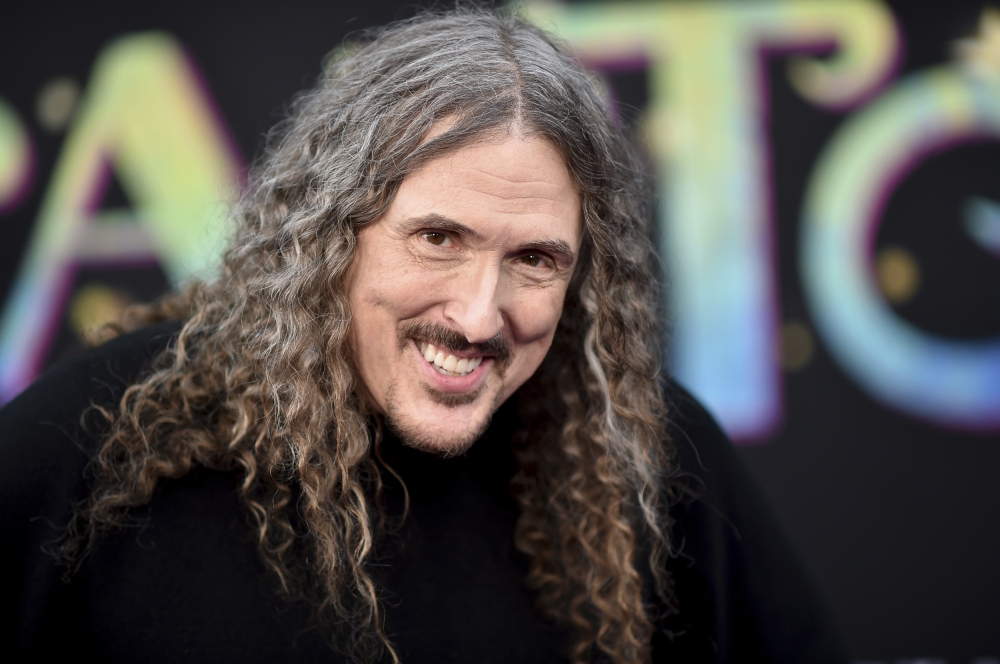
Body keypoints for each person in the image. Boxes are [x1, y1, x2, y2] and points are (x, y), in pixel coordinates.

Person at [1, 7, 846, 664]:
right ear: (330, 236)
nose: (478, 316)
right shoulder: (90, 444)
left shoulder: (645, 452)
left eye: (535, 260)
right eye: (438, 239)